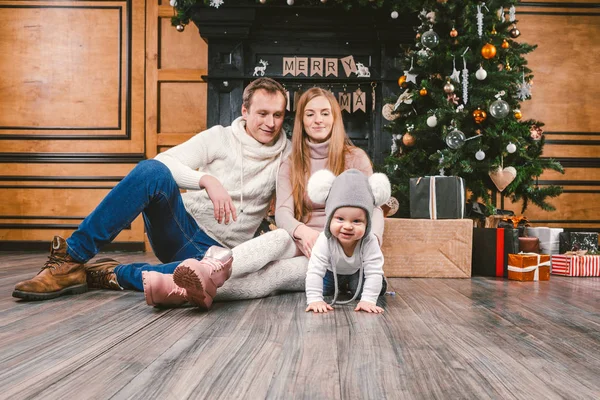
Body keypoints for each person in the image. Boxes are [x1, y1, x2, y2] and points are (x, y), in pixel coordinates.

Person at [12, 77, 292, 301]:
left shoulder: (287, 154)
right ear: (244, 111)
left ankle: (112, 274)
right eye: (262, 113)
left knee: (212, 280)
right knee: (152, 171)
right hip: (181, 228)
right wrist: (206, 180)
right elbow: (165, 161)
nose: (270, 123)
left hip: (216, 254)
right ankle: (71, 258)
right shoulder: (219, 138)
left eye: (277, 115)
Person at [141, 87, 387, 307]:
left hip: (339, 250)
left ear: (335, 118)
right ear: (301, 120)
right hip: (301, 239)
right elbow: (282, 213)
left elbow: (373, 207)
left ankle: (177, 290)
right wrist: (302, 232)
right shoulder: (291, 161)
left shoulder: (355, 158)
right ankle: (208, 270)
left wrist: (369, 242)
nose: (318, 120)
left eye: (325, 113)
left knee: (272, 274)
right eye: (310, 114)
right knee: (279, 237)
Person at [304, 168, 390, 314]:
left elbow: (373, 271)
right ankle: (342, 285)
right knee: (322, 289)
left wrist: (368, 300)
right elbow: (315, 270)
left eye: (357, 221)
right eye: (340, 219)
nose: (348, 226)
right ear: (329, 218)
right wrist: (315, 299)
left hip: (357, 271)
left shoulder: (369, 241)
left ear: (367, 223)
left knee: (369, 287)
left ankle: (363, 284)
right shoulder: (325, 240)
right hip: (331, 271)